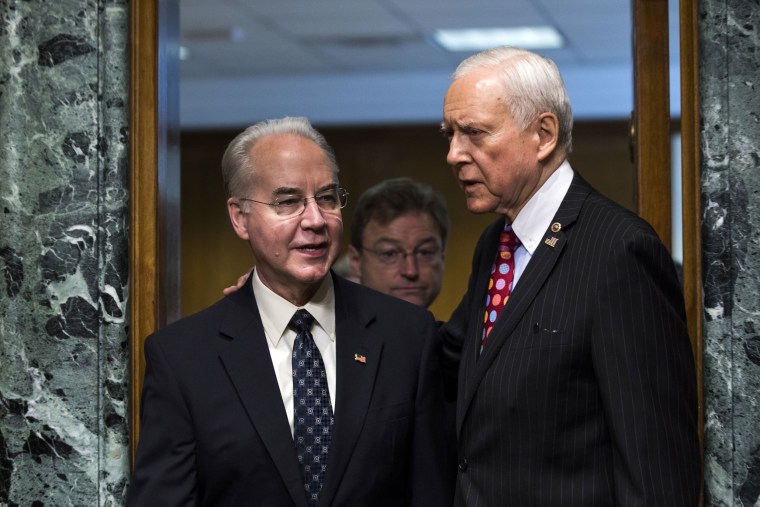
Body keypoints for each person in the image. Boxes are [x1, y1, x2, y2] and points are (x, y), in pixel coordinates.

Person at [128, 117, 451, 506]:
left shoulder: (407, 335)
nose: (315, 220)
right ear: (239, 216)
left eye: (328, 198)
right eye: (288, 202)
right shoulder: (183, 358)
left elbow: (432, 490)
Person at [439, 46, 701, 505]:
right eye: (450, 134)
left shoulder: (619, 250)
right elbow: (454, 362)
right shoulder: (495, 245)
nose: (454, 154)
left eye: (474, 133)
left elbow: (656, 467)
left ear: (543, 134)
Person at [347, 177, 449, 309]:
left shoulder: (467, 328)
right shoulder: (330, 329)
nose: (410, 271)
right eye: (390, 253)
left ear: (442, 257)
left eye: (425, 252)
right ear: (356, 261)